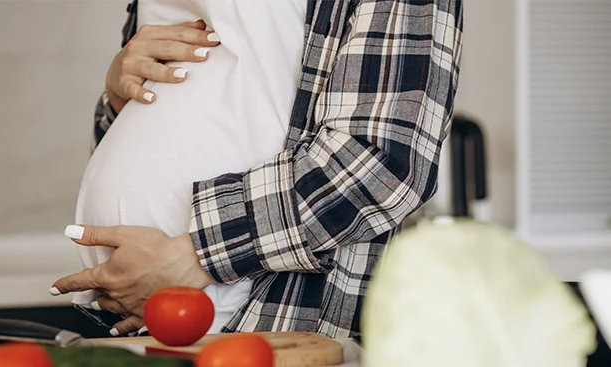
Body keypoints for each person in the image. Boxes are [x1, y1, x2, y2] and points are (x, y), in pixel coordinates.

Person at [51, 0, 464, 341]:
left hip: (265, 321)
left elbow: (381, 162)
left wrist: (194, 254)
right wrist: (119, 89)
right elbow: (160, 124)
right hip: (139, 325)